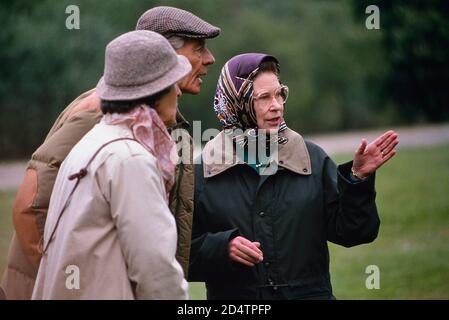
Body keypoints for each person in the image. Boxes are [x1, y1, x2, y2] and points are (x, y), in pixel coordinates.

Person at [1, 6, 219, 299]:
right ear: (160, 54)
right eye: (199, 49)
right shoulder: (101, 113)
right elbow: (29, 204)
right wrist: (71, 282)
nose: (209, 59)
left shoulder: (142, 121)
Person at [188, 53, 399, 299]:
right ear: (237, 103)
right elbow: (175, 255)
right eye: (264, 97)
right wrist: (221, 248)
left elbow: (354, 233)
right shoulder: (202, 172)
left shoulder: (312, 158)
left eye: (279, 94)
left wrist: (357, 179)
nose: (276, 105)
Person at [32, 30, 191, 299]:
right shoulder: (131, 159)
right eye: (172, 82)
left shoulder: (91, 142)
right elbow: (156, 273)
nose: (178, 90)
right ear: (153, 93)